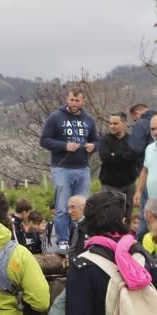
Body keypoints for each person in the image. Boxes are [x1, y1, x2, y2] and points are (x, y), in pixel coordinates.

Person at [23, 195, 87, 315]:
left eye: (73, 207)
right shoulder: (78, 225)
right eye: (68, 207)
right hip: (77, 274)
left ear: (84, 208)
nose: (69, 211)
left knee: (65, 305)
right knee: (60, 304)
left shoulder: (88, 226)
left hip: (85, 275)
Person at [39, 88, 98, 253]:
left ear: (83, 101)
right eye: (72, 100)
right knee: (63, 207)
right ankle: (63, 241)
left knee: (84, 207)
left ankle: (82, 238)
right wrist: (64, 146)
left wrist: (93, 147)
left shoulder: (89, 120)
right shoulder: (55, 117)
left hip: (83, 168)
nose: (74, 103)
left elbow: (97, 140)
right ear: (67, 99)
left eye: (77, 100)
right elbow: (44, 140)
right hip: (62, 168)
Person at [99, 112, 138, 225]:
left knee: (127, 217)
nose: (112, 126)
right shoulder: (105, 139)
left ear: (124, 123)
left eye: (115, 123)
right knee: (109, 217)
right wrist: (124, 155)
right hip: (109, 185)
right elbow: (105, 158)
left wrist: (116, 154)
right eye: (110, 123)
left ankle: (125, 241)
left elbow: (134, 156)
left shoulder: (132, 140)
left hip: (129, 185)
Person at [130, 103, 155, 240]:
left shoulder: (140, 124)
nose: (155, 132)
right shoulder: (150, 148)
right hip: (151, 193)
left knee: (147, 217)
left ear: (136, 113)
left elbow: (135, 147)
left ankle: (141, 246)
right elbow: (145, 170)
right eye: (153, 129)